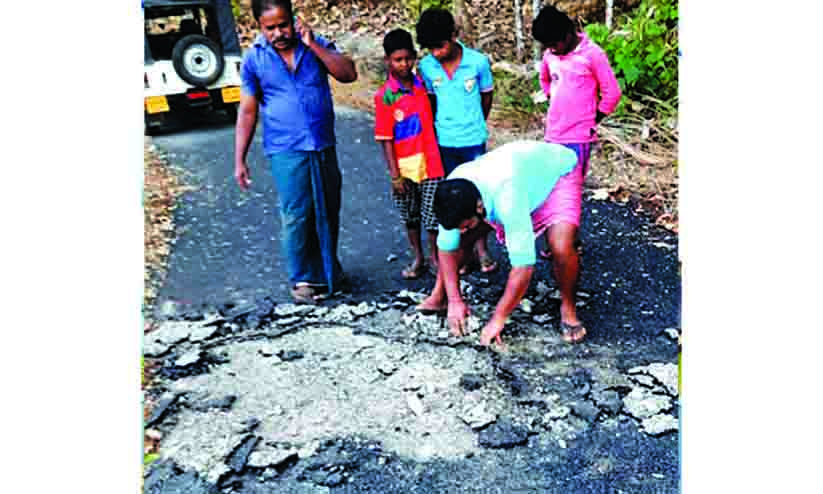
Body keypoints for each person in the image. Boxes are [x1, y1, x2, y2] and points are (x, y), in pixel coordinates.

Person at [234, 0, 357, 303]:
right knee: (297, 214)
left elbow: (348, 74)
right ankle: (302, 278)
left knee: (327, 209)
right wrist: (240, 158)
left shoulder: (314, 45)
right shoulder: (254, 59)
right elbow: (248, 112)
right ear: (260, 27)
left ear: (293, 19)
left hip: (322, 143)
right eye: (270, 27)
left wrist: (313, 45)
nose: (278, 32)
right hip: (285, 148)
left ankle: (329, 273)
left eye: (283, 24)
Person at [415, 140, 587, 346]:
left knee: (560, 247)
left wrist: (498, 319)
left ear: (479, 208)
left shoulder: (508, 198)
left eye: (466, 224)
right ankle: (441, 297)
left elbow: (523, 266)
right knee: (461, 240)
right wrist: (455, 301)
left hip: (556, 176)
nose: (462, 230)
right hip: (517, 178)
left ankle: (568, 309)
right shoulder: (452, 192)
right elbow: (447, 247)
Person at [531, 4, 621, 265]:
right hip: (553, 135)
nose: (553, 49)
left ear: (569, 33)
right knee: (550, 187)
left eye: (556, 43)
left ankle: (569, 241)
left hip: (578, 138)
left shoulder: (592, 54)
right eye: (547, 46)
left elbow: (612, 93)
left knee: (570, 190)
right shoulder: (550, 56)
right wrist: (553, 100)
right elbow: (545, 80)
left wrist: (594, 119)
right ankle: (555, 239)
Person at [415, 8, 497, 275]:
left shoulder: (478, 62)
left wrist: (476, 123)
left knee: (478, 195)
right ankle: (463, 251)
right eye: (431, 49)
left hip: (473, 140)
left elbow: (486, 98)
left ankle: (482, 248)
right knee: (454, 198)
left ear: (454, 35)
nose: (436, 53)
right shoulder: (427, 67)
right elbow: (431, 101)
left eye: (440, 46)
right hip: (444, 142)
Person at [374, 29, 446, 280]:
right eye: (398, 60)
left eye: (408, 58)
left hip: (431, 162)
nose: (404, 64)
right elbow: (385, 139)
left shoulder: (423, 86)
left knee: (432, 215)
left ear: (414, 57)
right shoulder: (385, 97)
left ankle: (436, 257)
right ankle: (418, 257)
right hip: (404, 168)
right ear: (388, 61)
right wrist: (395, 176)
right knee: (411, 216)